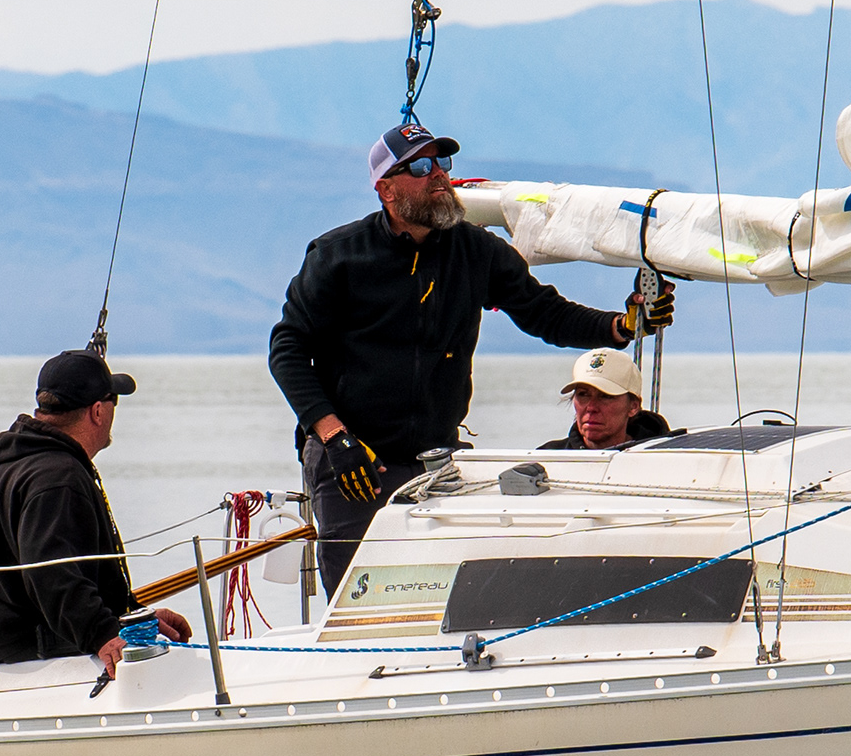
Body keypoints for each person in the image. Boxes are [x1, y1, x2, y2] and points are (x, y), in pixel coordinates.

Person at [269, 123, 675, 582]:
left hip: (434, 457)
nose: (439, 175)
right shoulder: (337, 255)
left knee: (435, 587)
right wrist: (333, 437)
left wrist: (620, 326)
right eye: (421, 167)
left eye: (443, 163)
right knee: (355, 592)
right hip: (355, 457)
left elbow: (543, 312)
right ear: (386, 189)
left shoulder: (476, 250)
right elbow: (287, 348)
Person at [0, 348, 195, 673]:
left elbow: (67, 577)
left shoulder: (15, 465)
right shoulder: (56, 478)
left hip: (11, 657)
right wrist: (104, 635)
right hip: (39, 663)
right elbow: (52, 574)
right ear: (97, 411)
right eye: (114, 401)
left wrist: (134, 618)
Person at [540, 345, 680, 450]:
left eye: (606, 396)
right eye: (583, 394)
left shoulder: (663, 459)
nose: (591, 407)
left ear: (633, 406)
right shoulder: (546, 458)